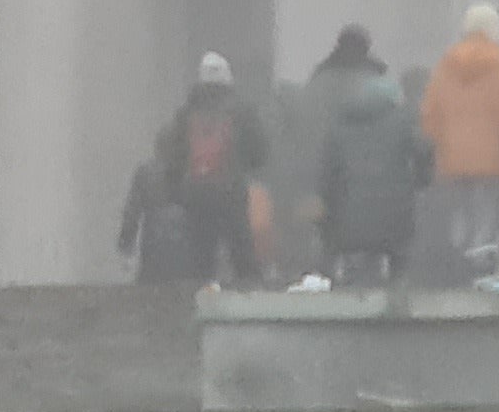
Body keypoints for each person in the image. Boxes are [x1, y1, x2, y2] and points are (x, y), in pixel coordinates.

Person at [420, 5, 499, 262]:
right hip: (490, 156)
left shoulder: (446, 65)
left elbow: (430, 111)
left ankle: (457, 257)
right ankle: (478, 259)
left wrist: (439, 146)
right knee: (485, 210)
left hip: (452, 155)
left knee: (461, 209)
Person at [150, 52, 269, 287]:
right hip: (230, 190)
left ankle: (201, 301)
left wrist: (176, 189)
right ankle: (248, 301)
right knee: (241, 253)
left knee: (201, 256)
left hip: (196, 192)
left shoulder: (186, 112)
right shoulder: (242, 111)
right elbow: (259, 151)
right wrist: (243, 168)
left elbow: (172, 155)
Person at [279, 27, 385, 277]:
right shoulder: (375, 84)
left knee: (327, 232)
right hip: (364, 175)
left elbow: (303, 133)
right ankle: (368, 281)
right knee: (365, 234)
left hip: (321, 174)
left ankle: (323, 277)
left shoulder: (318, 84)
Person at [317, 64, 431, 286]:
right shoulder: (403, 121)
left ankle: (339, 284)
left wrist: (328, 211)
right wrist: (419, 181)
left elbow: (327, 176)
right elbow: (424, 152)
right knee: (399, 253)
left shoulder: (339, 126)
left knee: (341, 244)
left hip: (346, 222)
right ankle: (398, 290)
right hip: (394, 218)